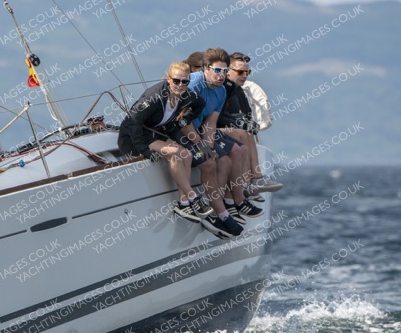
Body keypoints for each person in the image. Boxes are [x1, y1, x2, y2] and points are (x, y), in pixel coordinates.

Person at [118, 62, 214, 223]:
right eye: (176, 81)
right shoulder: (154, 96)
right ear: (168, 79)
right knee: (174, 154)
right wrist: (144, 150)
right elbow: (133, 122)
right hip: (134, 134)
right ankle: (193, 197)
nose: (180, 85)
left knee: (187, 154)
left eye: (185, 82)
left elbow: (200, 104)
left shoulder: (186, 95)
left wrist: (185, 119)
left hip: (155, 132)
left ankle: (183, 203)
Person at [188, 48, 262, 238]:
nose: (221, 75)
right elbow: (181, 120)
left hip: (200, 129)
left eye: (224, 71)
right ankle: (216, 214)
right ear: (206, 68)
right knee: (210, 163)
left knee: (231, 156)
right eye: (217, 70)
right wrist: (201, 146)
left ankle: (229, 203)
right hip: (181, 130)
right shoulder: (194, 85)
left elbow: (210, 122)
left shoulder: (220, 91)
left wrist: (209, 146)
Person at [219, 52, 282, 200]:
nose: (245, 76)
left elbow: (246, 114)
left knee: (248, 132)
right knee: (244, 132)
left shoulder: (238, 91)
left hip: (232, 132)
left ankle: (253, 180)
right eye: (240, 72)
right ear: (228, 71)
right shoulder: (221, 89)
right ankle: (251, 181)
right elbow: (216, 117)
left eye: (248, 72)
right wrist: (238, 122)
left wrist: (247, 123)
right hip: (214, 131)